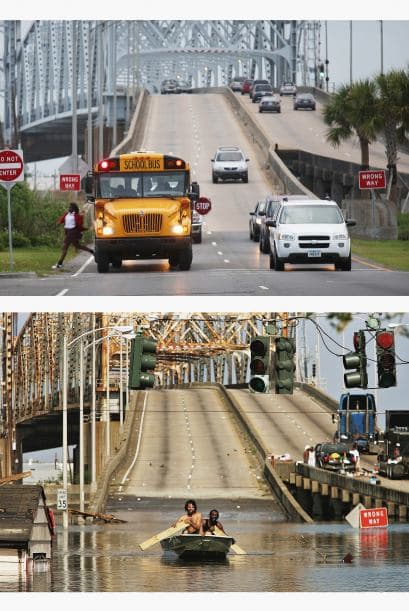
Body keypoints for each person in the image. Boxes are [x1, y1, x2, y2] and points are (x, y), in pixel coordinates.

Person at [52, 202, 94, 269]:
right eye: (69, 207)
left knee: (64, 247)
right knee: (77, 245)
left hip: (72, 232)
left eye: (70, 207)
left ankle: (59, 264)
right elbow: (62, 220)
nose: (69, 208)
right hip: (68, 232)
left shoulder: (76, 216)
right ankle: (91, 251)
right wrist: (58, 223)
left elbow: (79, 224)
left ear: (74, 209)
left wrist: (85, 227)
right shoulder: (67, 214)